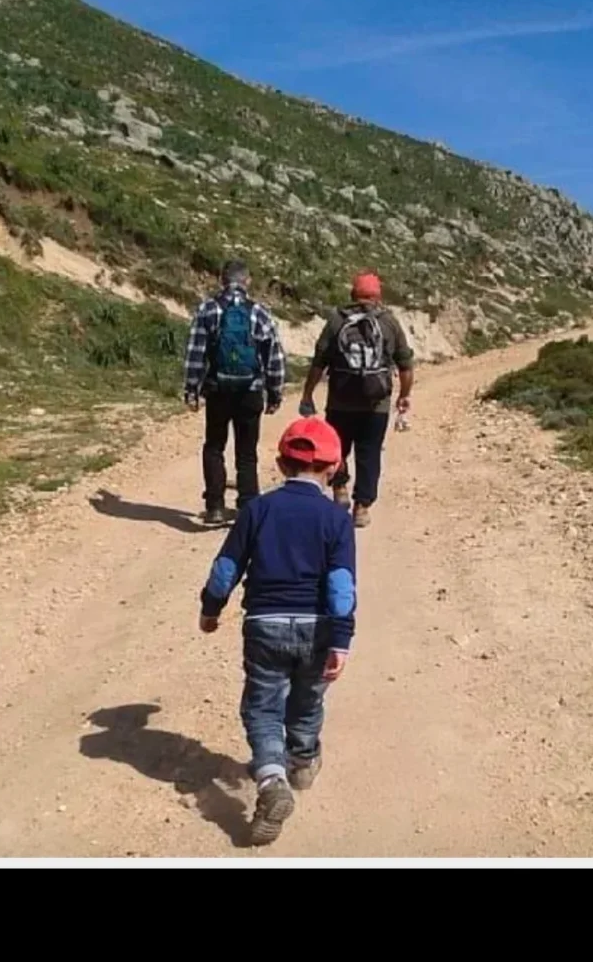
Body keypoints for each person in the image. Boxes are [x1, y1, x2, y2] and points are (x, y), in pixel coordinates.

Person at [198, 416, 356, 846]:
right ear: (333, 466)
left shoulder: (258, 509)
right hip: (318, 626)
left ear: (281, 463)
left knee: (263, 706)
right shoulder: (336, 518)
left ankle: (271, 780)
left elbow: (225, 569)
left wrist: (210, 610)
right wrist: (342, 639)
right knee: (307, 699)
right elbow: (341, 588)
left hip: (264, 625)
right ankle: (301, 761)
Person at [298, 271, 414, 528]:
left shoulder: (337, 320)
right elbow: (405, 365)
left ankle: (340, 490)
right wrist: (404, 396)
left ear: (353, 294)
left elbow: (319, 362)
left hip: (340, 401)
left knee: (337, 449)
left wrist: (307, 394)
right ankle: (362, 506)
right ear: (378, 296)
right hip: (377, 404)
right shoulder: (389, 322)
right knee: (370, 453)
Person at [183, 259, 286, 525]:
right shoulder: (260, 312)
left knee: (215, 445)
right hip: (250, 390)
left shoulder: (207, 309)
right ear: (247, 281)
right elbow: (274, 356)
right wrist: (274, 392)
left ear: (221, 279)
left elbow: (195, 353)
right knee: (247, 451)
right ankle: (248, 507)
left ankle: (215, 506)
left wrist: (191, 388)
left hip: (218, 388)